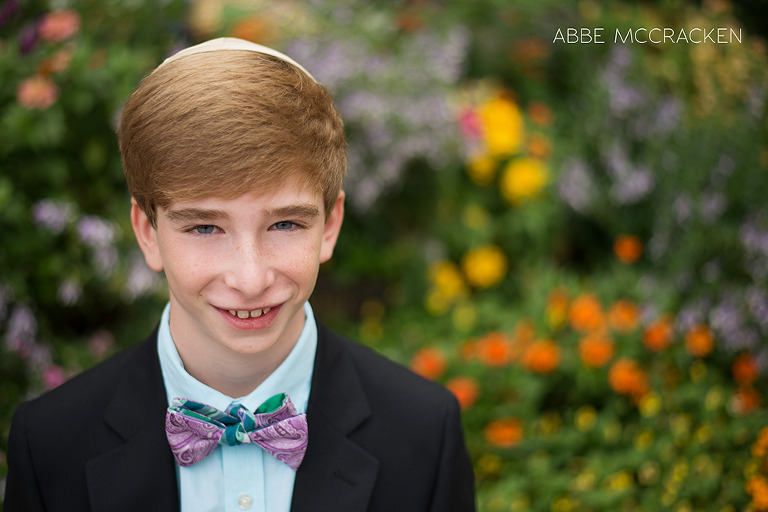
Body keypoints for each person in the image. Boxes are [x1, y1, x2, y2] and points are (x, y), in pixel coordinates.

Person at [4, 38, 476, 512]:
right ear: (148, 233)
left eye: (285, 224)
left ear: (329, 226)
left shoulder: (424, 431)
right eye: (205, 226)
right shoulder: (48, 443)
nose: (250, 279)